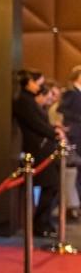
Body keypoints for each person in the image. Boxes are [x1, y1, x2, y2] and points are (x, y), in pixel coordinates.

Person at [13, 68, 67, 237]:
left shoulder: (28, 100)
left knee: (53, 186)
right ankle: (40, 224)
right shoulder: (23, 101)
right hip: (38, 149)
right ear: (29, 82)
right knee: (50, 186)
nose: (40, 87)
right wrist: (54, 132)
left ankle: (44, 222)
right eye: (38, 83)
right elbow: (36, 124)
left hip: (44, 148)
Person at [60, 66, 81, 219]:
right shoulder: (71, 92)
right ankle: (73, 206)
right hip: (75, 135)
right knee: (76, 170)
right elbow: (63, 110)